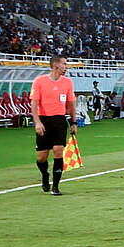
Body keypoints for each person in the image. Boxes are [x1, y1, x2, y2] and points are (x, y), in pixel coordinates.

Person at [30, 55, 77, 196]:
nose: (66, 66)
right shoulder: (39, 81)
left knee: (58, 151)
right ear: (56, 65)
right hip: (44, 120)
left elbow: (71, 104)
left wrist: (73, 122)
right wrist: (37, 122)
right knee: (42, 157)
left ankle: (56, 186)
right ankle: (45, 175)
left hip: (59, 120)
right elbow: (34, 103)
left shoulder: (67, 82)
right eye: (64, 64)